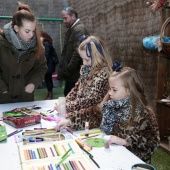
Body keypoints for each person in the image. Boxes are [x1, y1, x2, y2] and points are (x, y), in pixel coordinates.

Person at [99, 65, 160, 163]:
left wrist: (125, 141)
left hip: (134, 162)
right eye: (109, 89)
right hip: (115, 157)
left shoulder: (144, 113)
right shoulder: (111, 106)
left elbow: (152, 143)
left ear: (128, 91)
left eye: (114, 90)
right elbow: (95, 115)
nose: (110, 93)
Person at [55, 35, 112, 130]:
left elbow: (90, 101)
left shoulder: (104, 76)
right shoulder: (86, 70)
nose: (84, 63)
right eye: (82, 59)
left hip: (92, 120)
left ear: (97, 56)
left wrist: (68, 107)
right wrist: (64, 102)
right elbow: (76, 89)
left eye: (87, 60)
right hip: (80, 116)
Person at [0, 2, 47, 104]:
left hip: (25, 100)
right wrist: (3, 89)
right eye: (27, 31)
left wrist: (32, 85)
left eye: (33, 31)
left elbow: (41, 67)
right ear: (17, 28)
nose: (31, 35)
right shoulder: (1, 43)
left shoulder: (38, 46)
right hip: (3, 100)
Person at [57, 6, 90, 96]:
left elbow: (77, 52)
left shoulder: (78, 29)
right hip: (73, 73)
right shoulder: (73, 29)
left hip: (74, 74)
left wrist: (68, 70)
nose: (64, 21)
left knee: (70, 95)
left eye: (65, 18)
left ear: (73, 16)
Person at [40, 31, 58, 99]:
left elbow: (46, 55)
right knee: (48, 79)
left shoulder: (46, 44)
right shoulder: (47, 43)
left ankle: (50, 94)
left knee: (48, 79)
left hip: (48, 66)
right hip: (49, 65)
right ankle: (50, 93)